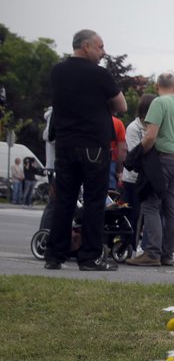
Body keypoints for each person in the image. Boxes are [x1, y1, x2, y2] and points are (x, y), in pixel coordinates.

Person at [45, 29, 127, 271]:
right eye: (100, 47)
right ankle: (89, 257)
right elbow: (121, 105)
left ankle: (54, 254)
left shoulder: (57, 71)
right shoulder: (100, 74)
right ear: (86, 46)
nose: (103, 52)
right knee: (93, 201)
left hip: (65, 142)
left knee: (65, 200)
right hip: (93, 144)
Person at [126, 73, 174, 266]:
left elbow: (150, 136)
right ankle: (167, 253)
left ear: (157, 87)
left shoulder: (159, 103)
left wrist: (137, 154)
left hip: (162, 160)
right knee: (171, 207)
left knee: (151, 205)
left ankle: (152, 252)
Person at [121, 93, 155, 248]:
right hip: (133, 178)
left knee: (144, 214)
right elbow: (136, 152)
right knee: (132, 214)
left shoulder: (153, 127)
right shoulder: (134, 128)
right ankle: (128, 245)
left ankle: (139, 245)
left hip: (147, 177)